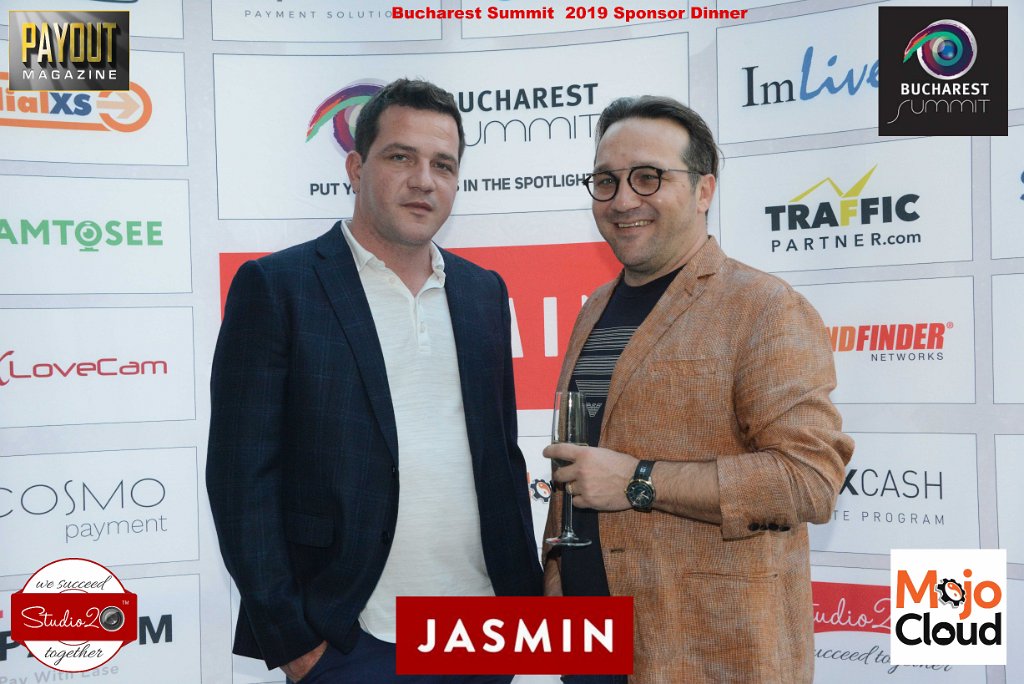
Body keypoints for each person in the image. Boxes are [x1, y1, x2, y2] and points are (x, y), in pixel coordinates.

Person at [207, 78, 542, 684]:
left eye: (443, 165)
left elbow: (500, 453)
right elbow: (240, 480)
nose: (424, 180)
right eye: (401, 157)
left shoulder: (483, 292)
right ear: (356, 168)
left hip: (487, 631)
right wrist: (296, 643)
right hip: (352, 640)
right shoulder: (279, 287)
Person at [542, 96, 854, 683]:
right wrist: (556, 574)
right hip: (589, 648)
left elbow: (809, 480)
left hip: (705, 653)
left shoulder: (763, 307)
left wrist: (639, 480)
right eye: (606, 182)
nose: (623, 200)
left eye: (648, 177)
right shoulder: (595, 309)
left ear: (704, 189)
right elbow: (579, 464)